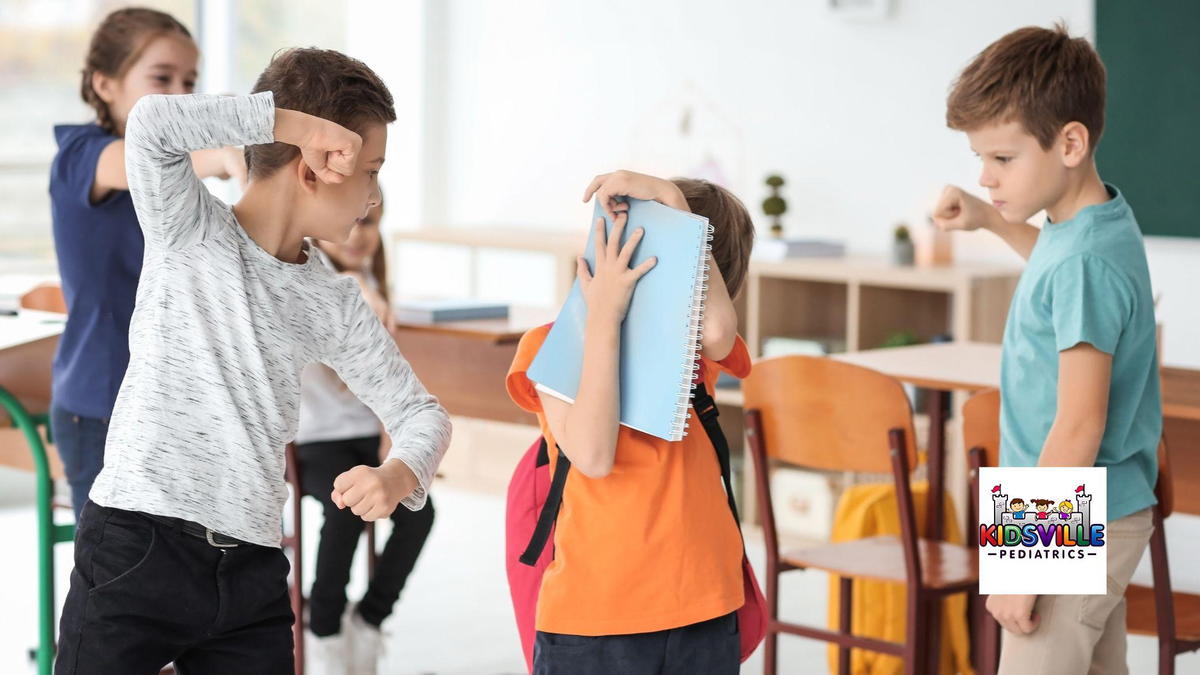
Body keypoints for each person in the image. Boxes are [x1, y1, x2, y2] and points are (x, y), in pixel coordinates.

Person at [55, 48, 450, 674]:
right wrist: (296, 123)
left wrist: (398, 475)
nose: (374, 195)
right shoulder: (187, 227)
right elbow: (154, 123)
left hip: (252, 574)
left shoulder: (333, 300)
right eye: (371, 169)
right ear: (317, 164)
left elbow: (423, 414)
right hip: (136, 548)